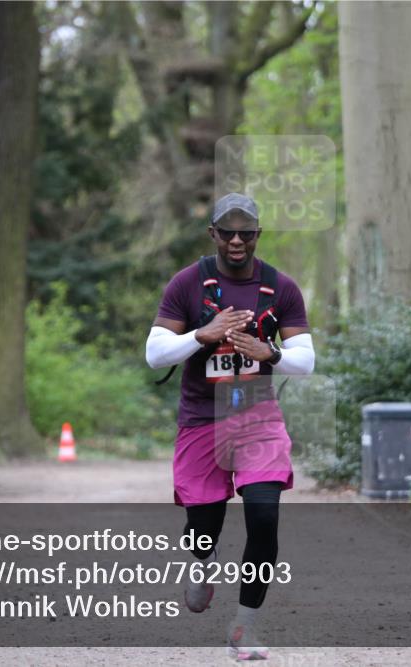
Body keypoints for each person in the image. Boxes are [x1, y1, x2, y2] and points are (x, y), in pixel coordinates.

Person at [145, 192, 315, 660]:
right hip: (202, 419)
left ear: (258, 234)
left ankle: (245, 627)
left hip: (257, 419)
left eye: (246, 232)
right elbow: (154, 353)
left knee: (264, 516)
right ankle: (202, 563)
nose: (237, 240)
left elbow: (307, 360)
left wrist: (272, 353)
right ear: (213, 234)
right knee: (204, 524)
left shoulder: (281, 288)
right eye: (227, 232)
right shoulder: (187, 283)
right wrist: (204, 333)